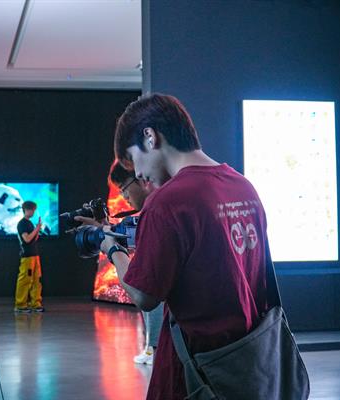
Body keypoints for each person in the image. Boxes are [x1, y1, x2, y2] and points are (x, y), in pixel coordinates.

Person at [101, 94, 269, 400]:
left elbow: (144, 295)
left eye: (134, 159)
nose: (138, 174)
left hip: (195, 372)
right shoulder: (242, 186)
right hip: (249, 365)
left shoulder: (168, 201)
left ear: (150, 137)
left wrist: (113, 251)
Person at [109, 161, 164, 365]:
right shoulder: (155, 210)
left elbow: (144, 297)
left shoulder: (157, 211)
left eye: (124, 188)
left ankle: (154, 348)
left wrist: (113, 250)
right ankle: (152, 348)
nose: (124, 196)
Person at [14, 201, 44, 313]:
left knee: (36, 280)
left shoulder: (29, 223)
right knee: (25, 280)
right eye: (31, 210)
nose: (33, 212)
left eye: (34, 210)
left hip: (34, 255)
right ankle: (20, 305)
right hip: (27, 256)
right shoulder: (22, 223)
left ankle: (35, 303)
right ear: (26, 210)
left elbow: (33, 239)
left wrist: (38, 229)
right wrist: (37, 228)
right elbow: (27, 239)